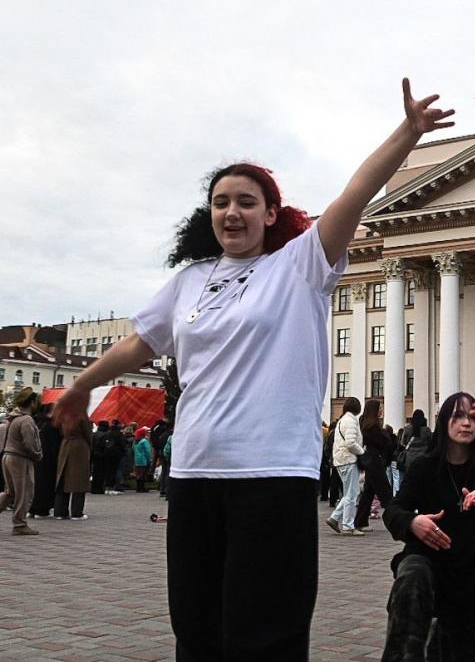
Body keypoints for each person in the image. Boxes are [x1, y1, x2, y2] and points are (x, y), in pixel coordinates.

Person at [52, 78, 454, 661]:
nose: (231, 212)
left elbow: (356, 193)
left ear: (270, 213)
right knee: (195, 626)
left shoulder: (300, 266)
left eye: (245, 201)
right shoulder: (190, 280)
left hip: (272, 474)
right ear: (209, 215)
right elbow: (139, 343)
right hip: (193, 474)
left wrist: (408, 133)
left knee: (266, 629)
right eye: (221, 202)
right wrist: (81, 386)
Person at [381, 392, 475, 661]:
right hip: (426, 559)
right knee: (412, 576)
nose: (466, 423)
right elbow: (394, 510)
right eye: (457, 416)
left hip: (467, 574)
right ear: (444, 422)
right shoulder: (425, 466)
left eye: (473, 418)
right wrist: (413, 522)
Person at [0, 388, 44, 535]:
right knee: (24, 492)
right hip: (20, 458)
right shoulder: (26, 420)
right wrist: (38, 455)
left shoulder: (13, 418)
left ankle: (19, 523)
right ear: (32, 403)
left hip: (8, 456)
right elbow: (30, 444)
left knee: (10, 492)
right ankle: (19, 524)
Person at [353, 400, 395, 534]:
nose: (381, 410)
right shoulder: (373, 427)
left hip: (371, 461)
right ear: (374, 411)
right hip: (375, 461)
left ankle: (360, 522)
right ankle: (396, 520)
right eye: (380, 408)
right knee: (385, 492)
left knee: (368, 493)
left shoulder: (366, 425)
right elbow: (384, 442)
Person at [326, 397, 365, 536]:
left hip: (341, 459)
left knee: (350, 492)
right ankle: (348, 526)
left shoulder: (343, 420)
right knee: (352, 494)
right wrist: (362, 451)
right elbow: (350, 443)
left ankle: (335, 518)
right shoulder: (351, 422)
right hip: (348, 459)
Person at [55, 418, 92, 520]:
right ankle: (77, 512)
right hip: (79, 446)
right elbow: (88, 433)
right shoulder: (82, 416)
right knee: (79, 480)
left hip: (65, 444)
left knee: (62, 478)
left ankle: (60, 511)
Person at [30, 402, 61, 518]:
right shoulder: (51, 425)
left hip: (36, 457)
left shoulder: (37, 422)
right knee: (45, 484)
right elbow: (54, 445)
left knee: (35, 483)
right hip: (48, 460)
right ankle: (42, 510)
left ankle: (32, 508)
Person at [133, 426, 154, 492]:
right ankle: (142, 488)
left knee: (138, 474)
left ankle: (138, 487)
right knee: (143, 474)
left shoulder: (135, 441)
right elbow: (147, 451)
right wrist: (150, 459)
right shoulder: (144, 441)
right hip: (144, 459)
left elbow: (133, 449)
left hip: (137, 460)